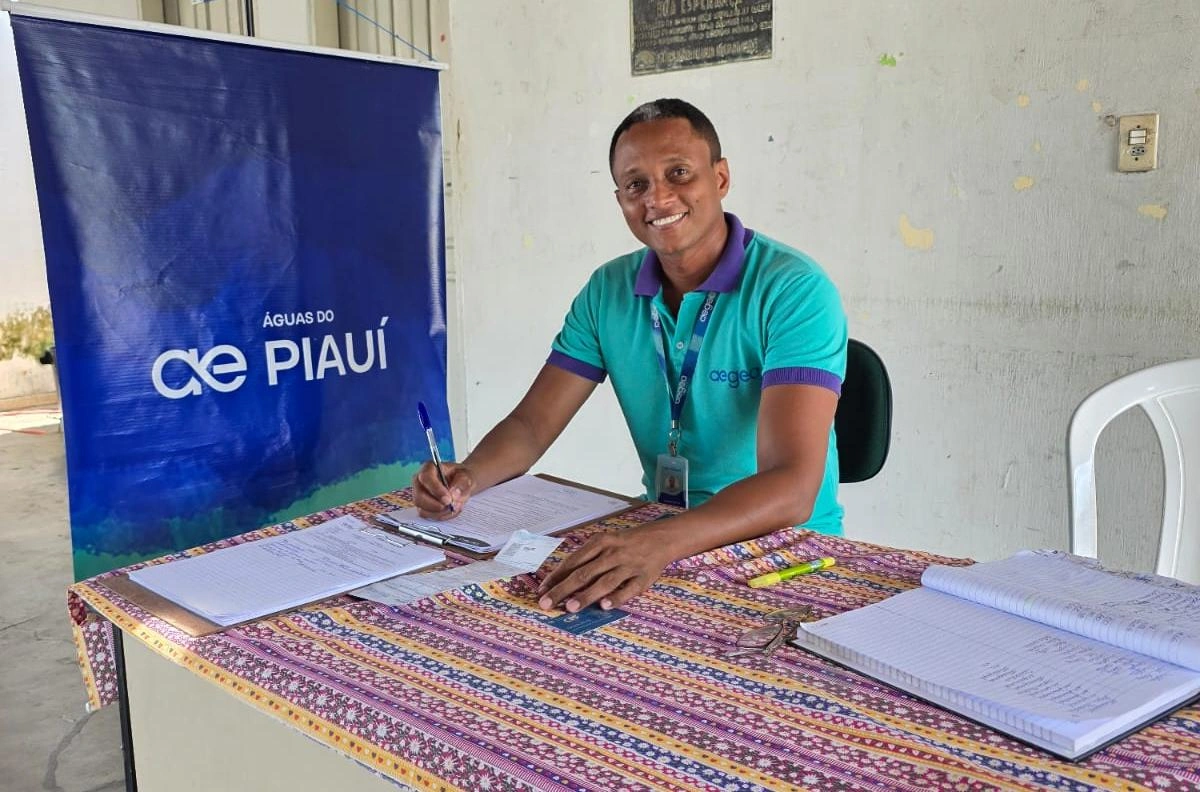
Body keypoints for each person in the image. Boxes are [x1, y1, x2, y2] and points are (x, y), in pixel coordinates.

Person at [412, 98, 847, 615]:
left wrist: (660, 542)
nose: (658, 198)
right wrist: (469, 478)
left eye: (679, 173)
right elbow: (532, 425)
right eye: (636, 184)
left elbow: (793, 486)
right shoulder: (608, 290)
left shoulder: (792, 288)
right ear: (619, 198)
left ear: (721, 177)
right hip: (659, 532)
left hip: (781, 551)